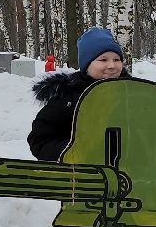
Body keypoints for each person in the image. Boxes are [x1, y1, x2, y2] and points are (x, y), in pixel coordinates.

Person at [29, 28, 132, 161]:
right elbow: (40, 139)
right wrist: (72, 152)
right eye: (103, 60)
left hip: (130, 170)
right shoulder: (68, 96)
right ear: (87, 65)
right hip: (81, 170)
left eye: (117, 59)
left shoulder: (131, 93)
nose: (112, 65)